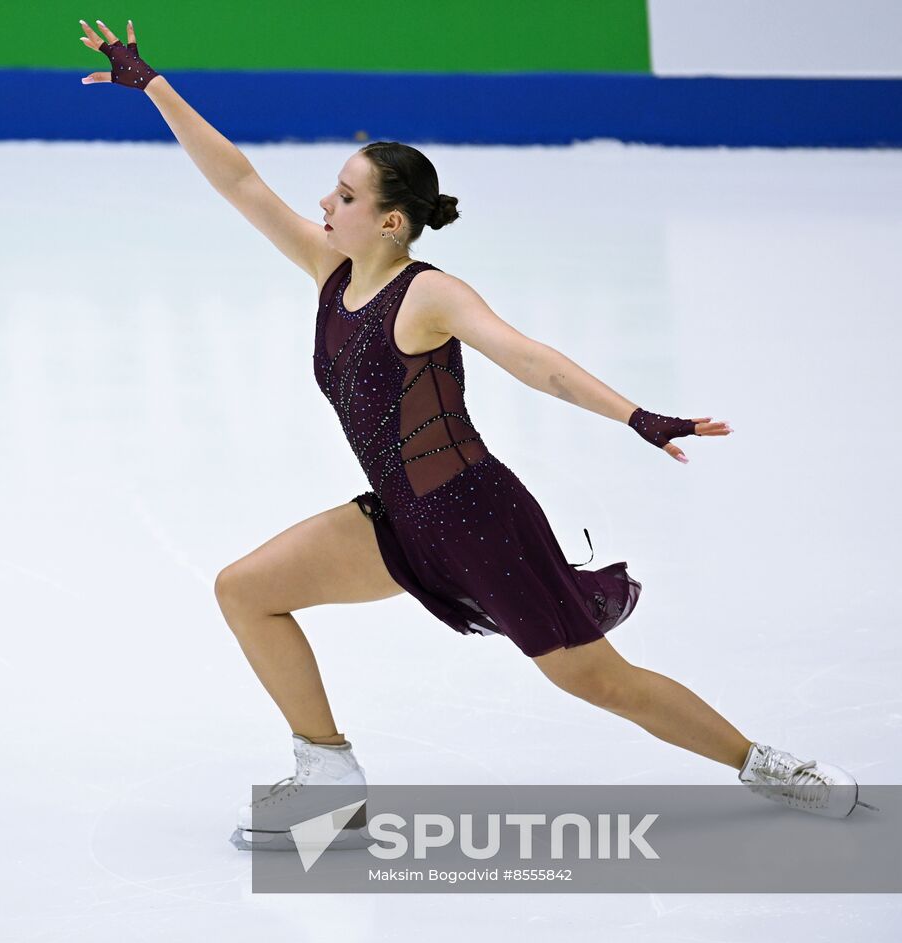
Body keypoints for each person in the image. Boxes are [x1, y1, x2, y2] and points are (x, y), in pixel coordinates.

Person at [77, 19, 878, 848]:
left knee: (602, 682)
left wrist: (636, 415)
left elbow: (532, 360)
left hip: (478, 521)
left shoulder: (429, 295)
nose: (325, 203)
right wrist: (154, 87)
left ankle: (764, 762)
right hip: (397, 519)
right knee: (245, 589)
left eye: (346, 196)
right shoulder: (331, 269)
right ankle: (327, 776)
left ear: (391, 222)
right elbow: (241, 182)